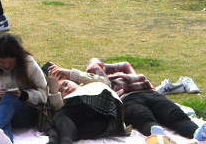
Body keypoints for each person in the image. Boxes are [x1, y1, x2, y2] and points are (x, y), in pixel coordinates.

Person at [47, 59, 206, 141]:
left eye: (66, 84)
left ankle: (197, 134)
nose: (65, 88)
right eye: (62, 90)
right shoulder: (70, 104)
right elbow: (58, 111)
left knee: (174, 115)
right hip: (127, 101)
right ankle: (159, 138)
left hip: (149, 93)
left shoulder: (92, 82)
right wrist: (54, 90)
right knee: (144, 118)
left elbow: (98, 67)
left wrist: (69, 72)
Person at [0, 34, 58, 143]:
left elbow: (43, 92)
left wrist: (23, 95)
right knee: (1, 128)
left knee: (9, 98)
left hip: (25, 114)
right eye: (2, 62)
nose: (6, 65)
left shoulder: (28, 62)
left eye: (10, 62)